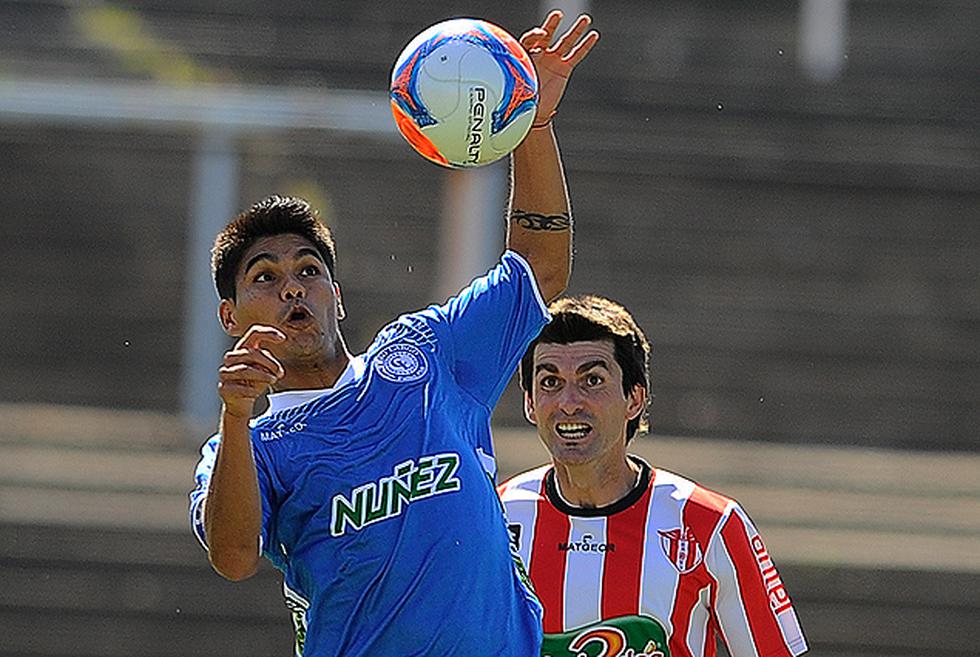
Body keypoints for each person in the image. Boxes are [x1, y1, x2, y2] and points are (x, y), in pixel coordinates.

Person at [187, 10, 599, 657]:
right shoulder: (250, 446)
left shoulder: (427, 354)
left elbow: (539, 268)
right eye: (265, 277)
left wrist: (532, 126)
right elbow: (234, 557)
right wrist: (236, 417)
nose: (293, 288)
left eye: (309, 270)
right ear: (230, 317)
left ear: (337, 295)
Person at [498, 295, 808, 657]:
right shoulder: (495, 518)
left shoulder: (710, 523)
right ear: (530, 403)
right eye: (550, 382)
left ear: (635, 399)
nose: (568, 402)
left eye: (592, 380)